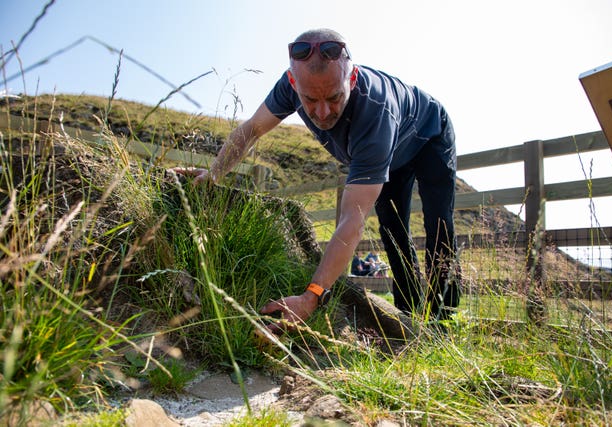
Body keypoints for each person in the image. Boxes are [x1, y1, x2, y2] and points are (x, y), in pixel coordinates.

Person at [173, 28, 460, 334]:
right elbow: (252, 129)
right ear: (294, 84)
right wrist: (214, 173)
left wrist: (310, 298)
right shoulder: (287, 87)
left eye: (335, 97)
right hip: (391, 152)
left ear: (351, 79)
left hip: (429, 135)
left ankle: (444, 319)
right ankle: (407, 317)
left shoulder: (375, 112)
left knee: (439, 223)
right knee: (393, 229)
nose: (322, 113)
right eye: (310, 100)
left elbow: (353, 219)